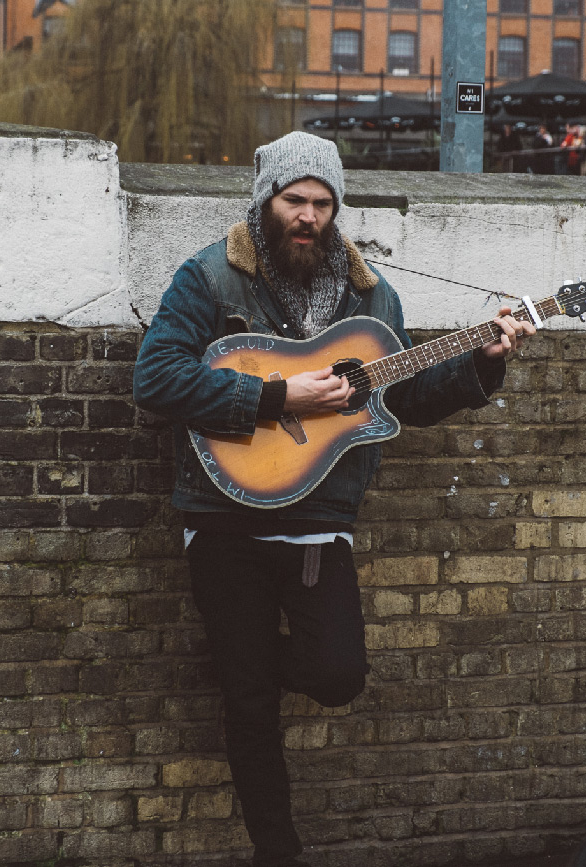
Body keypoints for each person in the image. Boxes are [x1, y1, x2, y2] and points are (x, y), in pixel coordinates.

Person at [133, 131, 535, 867]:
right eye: (295, 200)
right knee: (250, 704)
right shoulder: (210, 278)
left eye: (322, 203)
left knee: (337, 672)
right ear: (266, 199)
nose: (308, 216)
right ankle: (277, 853)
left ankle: (250, 666)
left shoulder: (373, 298)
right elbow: (155, 379)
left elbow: (408, 398)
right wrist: (276, 395)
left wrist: (481, 364)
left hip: (318, 522)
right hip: (223, 516)